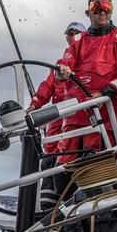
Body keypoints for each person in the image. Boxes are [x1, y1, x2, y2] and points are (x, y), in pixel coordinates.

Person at [43, 0, 117, 163]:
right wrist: (62, 69)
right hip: (74, 116)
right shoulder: (77, 40)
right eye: (96, 9)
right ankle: (61, 189)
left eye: (106, 8)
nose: (102, 13)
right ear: (88, 13)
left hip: (106, 115)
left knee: (100, 160)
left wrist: (107, 92)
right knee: (64, 161)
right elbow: (65, 62)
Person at [29, 21, 87, 157]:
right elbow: (47, 86)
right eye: (70, 34)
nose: (73, 37)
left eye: (77, 33)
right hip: (59, 115)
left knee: (84, 146)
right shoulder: (59, 66)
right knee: (51, 152)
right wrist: (34, 104)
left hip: (83, 112)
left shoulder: (92, 60)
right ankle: (53, 171)